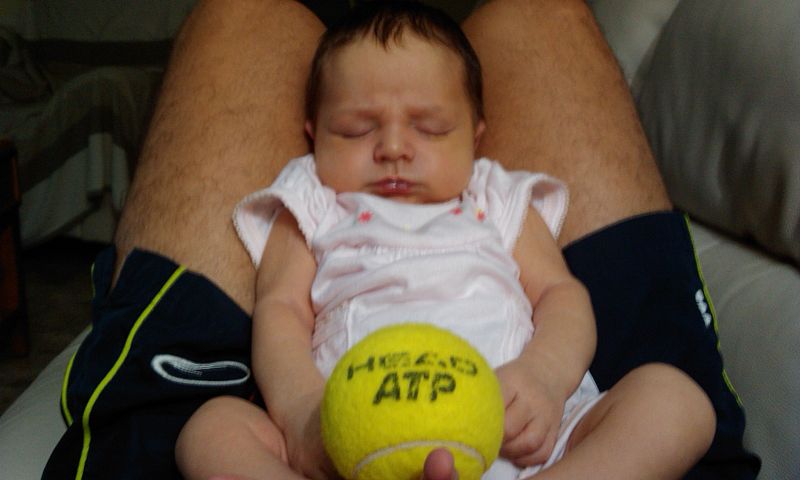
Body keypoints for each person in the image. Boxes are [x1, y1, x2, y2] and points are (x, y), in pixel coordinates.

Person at [41, 0, 760, 479]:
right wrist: (297, 415)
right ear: (311, 138)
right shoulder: (312, 205)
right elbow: (283, 311)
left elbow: (561, 293)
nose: (392, 148)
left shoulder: (495, 196)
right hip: (351, 440)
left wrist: (545, 376)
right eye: (356, 129)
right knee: (213, 428)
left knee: (672, 398)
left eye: (429, 127)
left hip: (521, 433)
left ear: (477, 140)